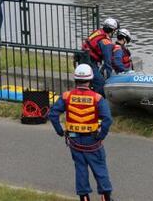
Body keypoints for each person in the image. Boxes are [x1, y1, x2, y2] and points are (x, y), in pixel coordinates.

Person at [48, 64, 114, 201]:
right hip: (93, 140)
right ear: (90, 80)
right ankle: (105, 197)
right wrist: (101, 136)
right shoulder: (97, 98)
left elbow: (53, 114)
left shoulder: (67, 96)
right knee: (100, 168)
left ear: (75, 79)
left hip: (74, 140)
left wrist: (60, 131)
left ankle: (84, 198)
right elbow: (107, 119)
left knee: (81, 169)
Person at [82, 18, 119, 96]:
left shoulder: (98, 32)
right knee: (100, 83)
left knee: (93, 79)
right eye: (114, 31)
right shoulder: (106, 42)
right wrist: (110, 78)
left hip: (83, 56)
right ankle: (99, 102)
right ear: (112, 30)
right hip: (89, 61)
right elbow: (108, 62)